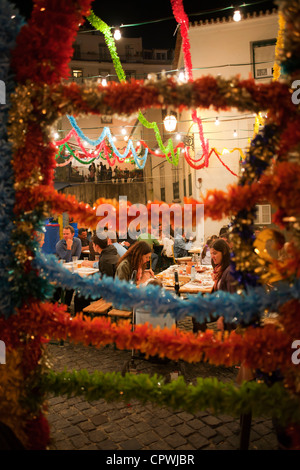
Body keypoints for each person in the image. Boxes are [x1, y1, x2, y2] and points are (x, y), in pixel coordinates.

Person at [74, 235, 120, 313]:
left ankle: (82, 321)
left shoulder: (105, 259)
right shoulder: (112, 252)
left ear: (96, 246)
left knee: (79, 296)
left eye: (93, 244)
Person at [54, 225, 82, 308]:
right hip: (60, 271)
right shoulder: (59, 244)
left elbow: (76, 257)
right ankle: (58, 305)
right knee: (60, 289)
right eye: (64, 234)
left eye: (67, 234)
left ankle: (65, 306)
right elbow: (66, 260)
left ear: (73, 234)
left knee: (72, 284)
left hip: (71, 269)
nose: (65, 236)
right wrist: (69, 247)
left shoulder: (77, 241)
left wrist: (72, 259)